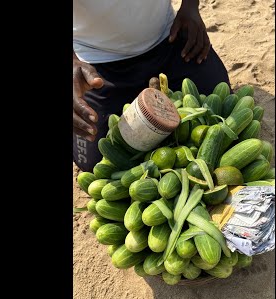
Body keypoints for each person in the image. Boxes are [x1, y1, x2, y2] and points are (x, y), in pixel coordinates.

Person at [73, 0, 231, 172]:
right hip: (97, 65)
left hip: (170, 39)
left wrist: (190, 7)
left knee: (223, 114)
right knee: (96, 163)